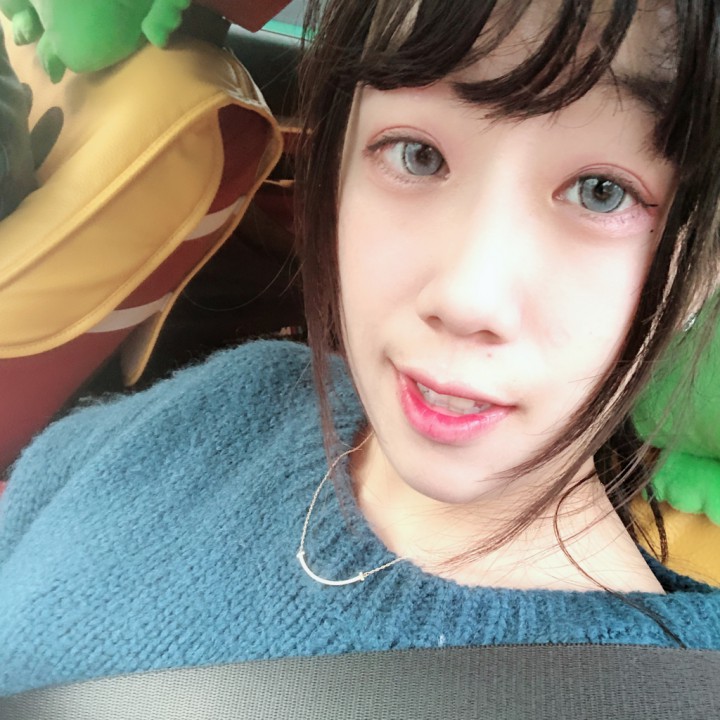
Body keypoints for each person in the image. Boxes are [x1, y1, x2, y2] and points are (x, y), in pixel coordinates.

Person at [1, 0, 720, 698]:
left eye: (601, 192)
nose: (467, 298)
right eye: (417, 155)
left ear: (706, 267)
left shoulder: (661, 692)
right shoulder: (233, 397)